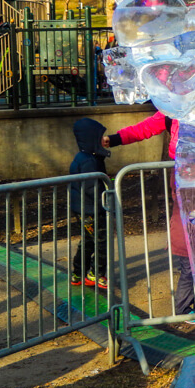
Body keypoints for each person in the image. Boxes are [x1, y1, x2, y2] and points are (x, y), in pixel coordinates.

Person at [102, 113, 195, 323]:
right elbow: (145, 128)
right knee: (188, 251)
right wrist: (115, 138)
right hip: (186, 177)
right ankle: (184, 308)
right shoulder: (173, 112)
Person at [70, 118, 111, 289]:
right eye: (100, 137)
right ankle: (96, 273)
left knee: (87, 241)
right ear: (91, 138)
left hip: (83, 208)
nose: (104, 140)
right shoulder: (89, 161)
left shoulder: (86, 157)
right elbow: (91, 188)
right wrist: (106, 200)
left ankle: (78, 273)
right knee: (101, 241)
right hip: (93, 209)